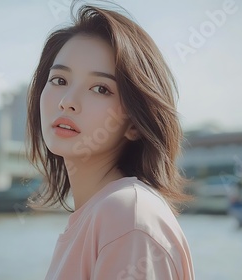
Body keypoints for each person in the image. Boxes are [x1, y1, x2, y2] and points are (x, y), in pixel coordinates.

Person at [26, 2, 195, 279]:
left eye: (100, 88)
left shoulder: (127, 217)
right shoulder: (99, 218)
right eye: (58, 80)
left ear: (134, 124)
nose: (68, 102)